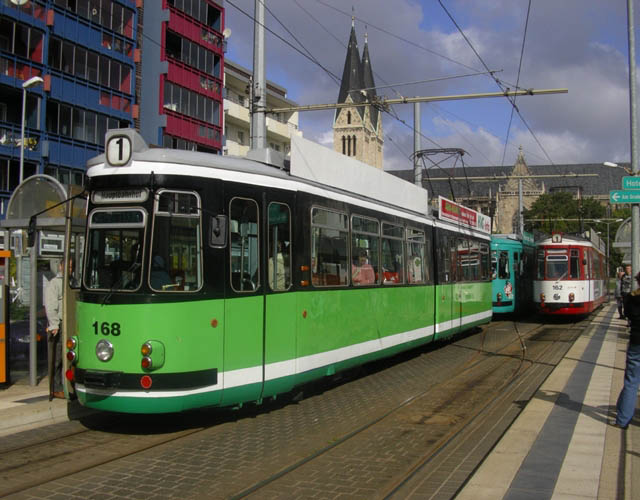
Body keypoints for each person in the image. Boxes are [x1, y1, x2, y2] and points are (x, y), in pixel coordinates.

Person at [615, 271, 640, 429]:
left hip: (636, 342)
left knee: (631, 382)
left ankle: (623, 420)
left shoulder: (632, 297)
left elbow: (626, 313)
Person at [44, 260, 64, 399]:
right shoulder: (54, 283)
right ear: (60, 266)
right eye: (66, 266)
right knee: (57, 359)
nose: (69, 269)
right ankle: (56, 389)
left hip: (70, 323)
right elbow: (51, 306)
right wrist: (54, 324)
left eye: (71, 267)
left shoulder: (73, 281)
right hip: (59, 325)